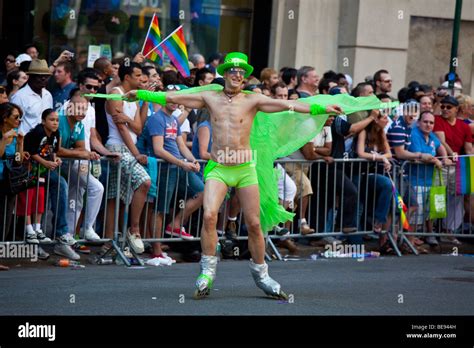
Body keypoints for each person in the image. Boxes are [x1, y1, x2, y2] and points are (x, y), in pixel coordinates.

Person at [125, 52, 342, 300]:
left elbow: (287, 106)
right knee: (208, 215)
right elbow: (174, 96)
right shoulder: (209, 96)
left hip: (245, 169)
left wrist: (320, 107)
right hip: (218, 168)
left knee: (254, 224)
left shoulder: (252, 100)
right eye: (234, 71)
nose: (238, 75)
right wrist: (141, 94)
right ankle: (207, 272)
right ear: (226, 73)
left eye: (242, 72)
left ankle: (262, 275)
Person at [104, 62, 151, 254]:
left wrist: (145, 99)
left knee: (117, 198)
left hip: (128, 148)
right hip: (117, 148)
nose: (141, 79)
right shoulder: (115, 94)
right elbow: (122, 129)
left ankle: (110, 243)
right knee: (144, 182)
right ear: (127, 77)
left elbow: (138, 128)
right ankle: (135, 230)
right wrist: (136, 153)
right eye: (138, 75)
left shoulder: (134, 98)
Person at [24, 109, 80, 260]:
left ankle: (60, 234)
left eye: (56, 120)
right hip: (30, 170)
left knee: (59, 185)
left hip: (44, 169)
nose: (55, 122)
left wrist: (55, 160)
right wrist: (46, 163)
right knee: (33, 201)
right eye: (51, 120)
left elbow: (52, 151)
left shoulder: (56, 134)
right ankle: (33, 242)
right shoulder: (37, 133)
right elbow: (31, 151)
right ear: (43, 121)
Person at [57, 90, 103, 241]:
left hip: (68, 164)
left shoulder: (80, 125)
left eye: (85, 109)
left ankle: (73, 233)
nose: (82, 113)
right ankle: (79, 230)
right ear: (69, 107)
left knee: (77, 197)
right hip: (51, 165)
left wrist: (80, 153)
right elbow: (57, 150)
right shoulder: (59, 120)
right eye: (79, 108)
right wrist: (79, 153)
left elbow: (81, 148)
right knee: (92, 189)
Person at [433, 95, 473, 244]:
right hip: (442, 164)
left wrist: (470, 159)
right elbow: (441, 141)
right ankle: (432, 230)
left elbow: (468, 148)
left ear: (456, 109)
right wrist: (452, 155)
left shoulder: (464, 126)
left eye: (448, 107)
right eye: (442, 106)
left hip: (458, 167)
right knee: (438, 196)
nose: (444, 109)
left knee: (457, 197)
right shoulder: (437, 121)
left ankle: (449, 231)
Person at [408, 111, 451, 246]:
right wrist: (436, 161)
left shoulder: (431, 136)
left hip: (428, 180)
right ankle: (410, 240)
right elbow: (422, 155)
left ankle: (420, 237)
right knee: (416, 213)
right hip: (415, 180)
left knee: (427, 211)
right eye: (425, 122)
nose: (428, 125)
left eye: (431, 122)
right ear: (419, 122)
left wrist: (444, 157)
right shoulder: (414, 133)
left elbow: (440, 146)